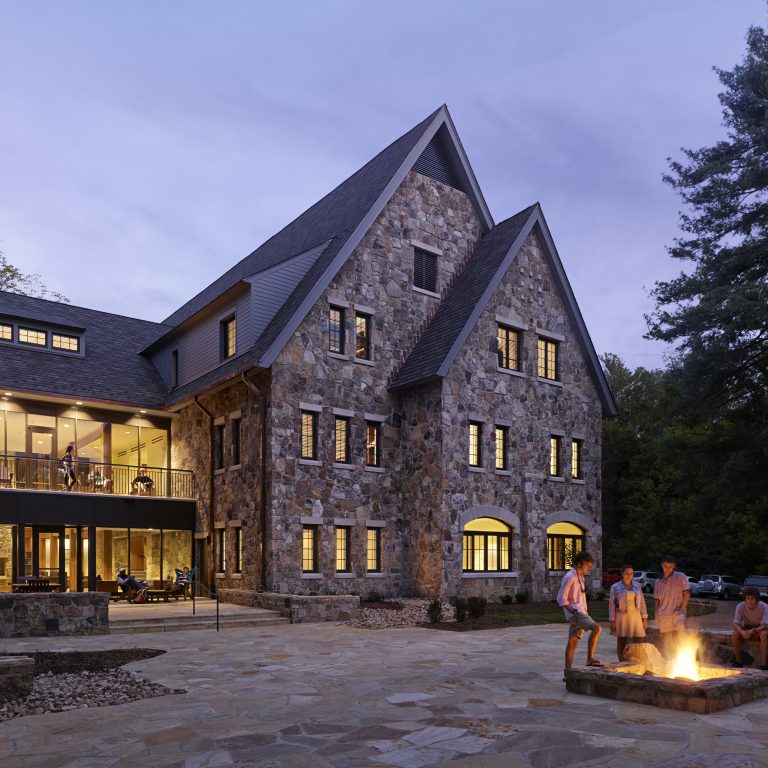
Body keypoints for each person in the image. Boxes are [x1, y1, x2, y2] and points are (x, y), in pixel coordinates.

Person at [557, 551, 603, 670]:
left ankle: (568, 672)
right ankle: (590, 658)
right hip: (577, 613)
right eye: (587, 565)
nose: (588, 568)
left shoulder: (580, 576)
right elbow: (561, 598)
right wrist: (573, 611)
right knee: (597, 628)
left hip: (581, 611)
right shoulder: (570, 577)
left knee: (572, 642)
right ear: (579, 563)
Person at [608, 565, 648, 660]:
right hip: (621, 616)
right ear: (622, 574)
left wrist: (644, 618)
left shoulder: (637, 585)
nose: (629, 576)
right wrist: (612, 620)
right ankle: (622, 661)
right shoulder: (615, 587)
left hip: (635, 615)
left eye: (631, 574)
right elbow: (611, 604)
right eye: (627, 573)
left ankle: (640, 660)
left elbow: (642, 602)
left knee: (639, 638)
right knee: (621, 639)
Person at [653, 555, 690, 654]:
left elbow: (687, 594)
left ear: (674, 566)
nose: (667, 569)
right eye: (665, 566)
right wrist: (656, 616)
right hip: (663, 615)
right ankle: (669, 659)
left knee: (681, 632)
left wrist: (682, 609)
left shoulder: (680, 577)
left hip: (677, 613)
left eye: (670, 567)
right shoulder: (658, 581)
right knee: (666, 640)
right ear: (662, 565)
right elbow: (657, 601)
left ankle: (683, 654)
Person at [732, 586, 768, 669]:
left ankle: (763, 664)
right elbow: (736, 623)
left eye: (752, 598)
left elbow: (766, 624)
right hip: (747, 627)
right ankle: (739, 661)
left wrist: (754, 630)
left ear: (756, 599)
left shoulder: (764, 606)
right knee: (735, 634)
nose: (750, 601)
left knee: (763, 634)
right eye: (748, 598)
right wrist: (742, 632)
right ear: (745, 599)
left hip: (760, 627)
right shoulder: (740, 607)